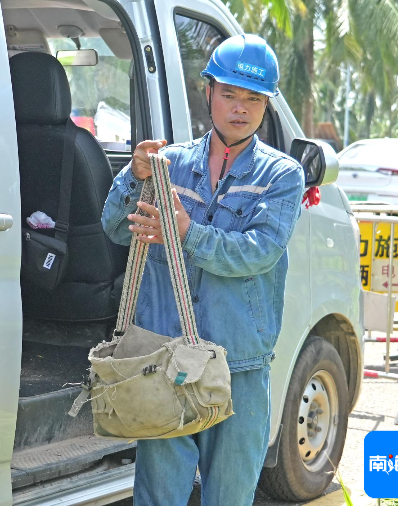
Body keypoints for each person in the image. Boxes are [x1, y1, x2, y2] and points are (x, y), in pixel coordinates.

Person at [100, 34, 306, 505]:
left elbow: (259, 251)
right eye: (229, 93)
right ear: (207, 91)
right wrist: (134, 177)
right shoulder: (167, 165)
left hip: (239, 366)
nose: (240, 108)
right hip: (166, 361)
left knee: (229, 496)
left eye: (253, 98)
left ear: (266, 106)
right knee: (158, 496)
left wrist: (187, 232)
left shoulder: (281, 176)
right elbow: (115, 229)